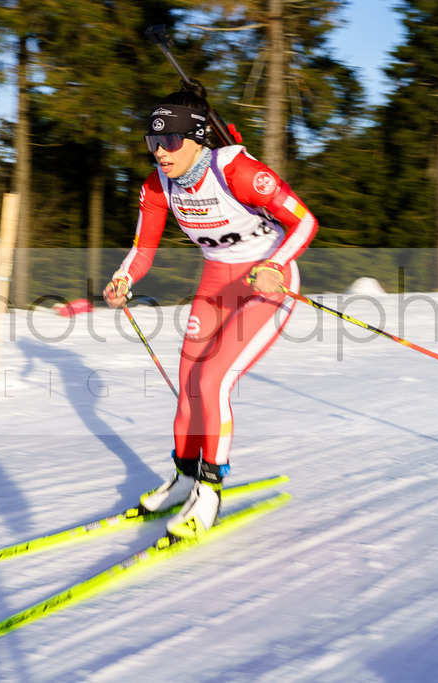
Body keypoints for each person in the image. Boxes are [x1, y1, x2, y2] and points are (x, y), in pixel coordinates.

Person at [103, 84, 318, 539]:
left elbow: (305, 220)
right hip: (218, 281)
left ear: (197, 138)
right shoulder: (157, 184)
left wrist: (275, 264)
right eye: (153, 141)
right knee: (188, 384)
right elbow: (143, 248)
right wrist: (124, 277)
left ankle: (209, 491)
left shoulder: (239, 172)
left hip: (267, 280)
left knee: (212, 380)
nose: (160, 152)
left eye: (170, 141)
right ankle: (184, 478)